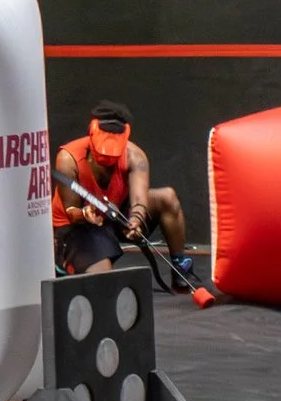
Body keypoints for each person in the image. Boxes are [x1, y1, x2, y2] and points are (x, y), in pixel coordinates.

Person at [51, 100, 192, 277]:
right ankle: (66, 261)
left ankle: (180, 268)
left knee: (167, 197)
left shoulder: (135, 157)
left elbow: (139, 201)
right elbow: (71, 212)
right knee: (104, 278)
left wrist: (136, 220)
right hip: (79, 226)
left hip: (114, 214)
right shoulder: (68, 159)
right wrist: (85, 214)